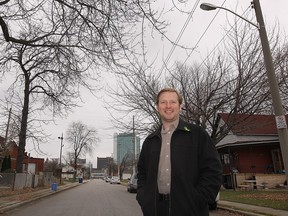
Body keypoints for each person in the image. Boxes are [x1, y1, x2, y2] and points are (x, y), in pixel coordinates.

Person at [136, 88, 222, 216]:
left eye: (173, 102)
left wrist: (197, 200)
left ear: (180, 106)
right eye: (163, 102)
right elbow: (142, 173)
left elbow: (213, 171)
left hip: (190, 210)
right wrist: (144, 198)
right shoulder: (150, 140)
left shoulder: (198, 135)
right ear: (157, 107)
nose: (168, 106)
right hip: (155, 210)